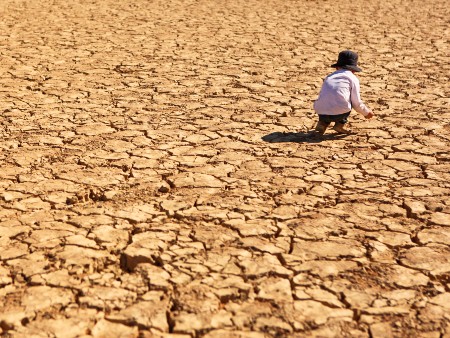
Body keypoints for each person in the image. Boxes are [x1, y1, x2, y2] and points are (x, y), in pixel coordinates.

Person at [313, 50, 374, 134]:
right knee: (346, 102)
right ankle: (339, 124)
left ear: (337, 67)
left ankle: (322, 124)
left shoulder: (330, 76)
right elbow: (357, 103)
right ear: (353, 70)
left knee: (329, 101)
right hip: (340, 113)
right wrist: (366, 113)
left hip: (320, 111)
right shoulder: (352, 78)